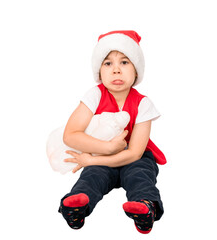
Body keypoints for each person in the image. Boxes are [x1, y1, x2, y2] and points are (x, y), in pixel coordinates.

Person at [58, 30, 166, 234]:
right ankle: (77, 207)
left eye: (124, 62)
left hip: (135, 156)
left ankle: (145, 207)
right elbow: (70, 134)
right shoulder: (94, 95)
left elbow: (134, 152)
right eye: (108, 63)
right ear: (99, 72)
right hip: (101, 155)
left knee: (140, 175)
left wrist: (90, 160)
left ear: (136, 71)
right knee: (92, 177)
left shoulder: (143, 103)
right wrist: (105, 150)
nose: (116, 70)